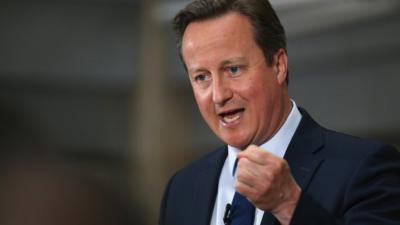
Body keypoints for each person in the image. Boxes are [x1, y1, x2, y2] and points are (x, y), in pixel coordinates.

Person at [159, 1, 400, 225]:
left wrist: (288, 204)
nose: (218, 95)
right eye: (202, 77)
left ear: (278, 65)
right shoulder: (182, 189)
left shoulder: (367, 169)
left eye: (233, 69)